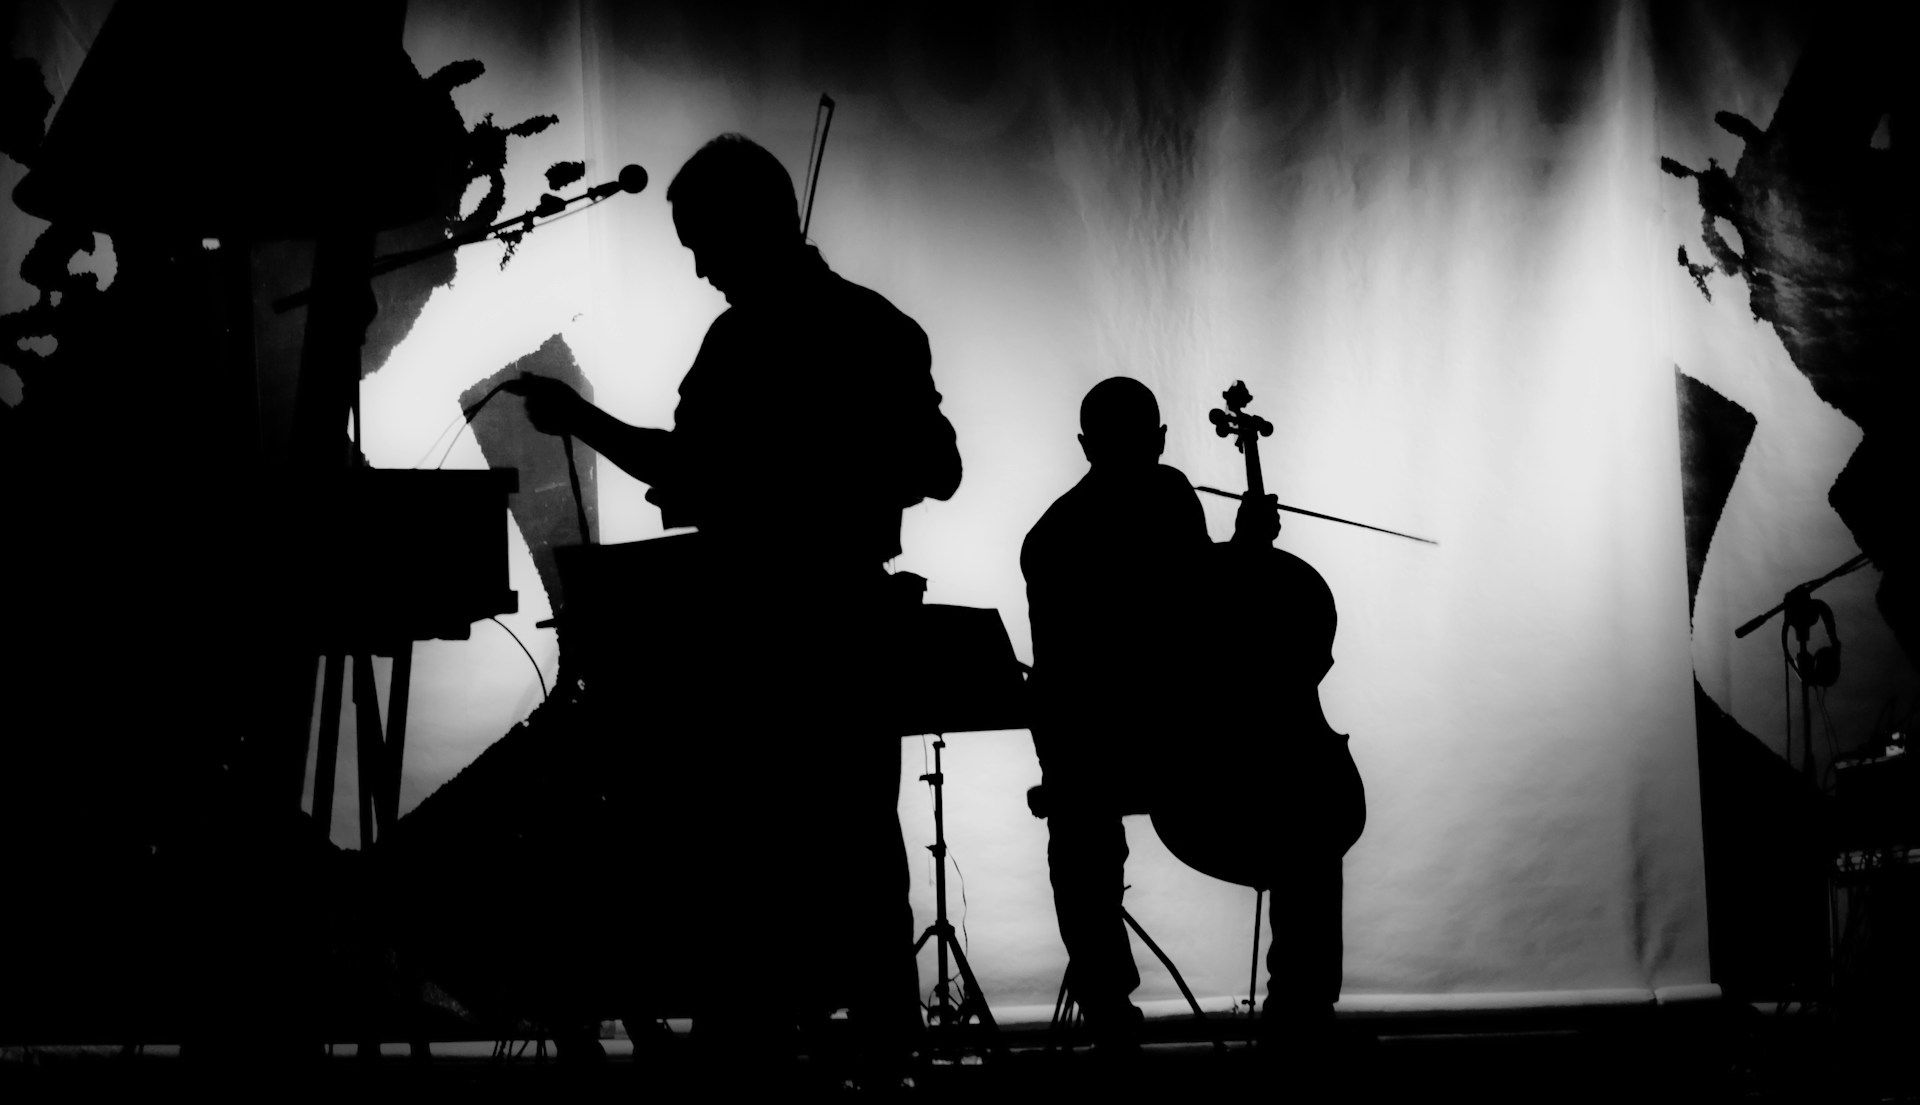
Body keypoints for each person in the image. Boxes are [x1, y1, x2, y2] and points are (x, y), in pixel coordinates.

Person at [508, 133, 960, 1083]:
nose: (703, 268)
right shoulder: (876, 324)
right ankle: (884, 1049)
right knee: (857, 849)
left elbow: (692, 469)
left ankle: (758, 1052)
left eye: (704, 243)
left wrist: (581, 419)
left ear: (751, 224)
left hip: (766, 628)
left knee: (747, 854)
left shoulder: (750, 337)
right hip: (840, 618)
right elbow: (936, 467)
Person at [1021, 376, 1362, 1058]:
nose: (1136, 456)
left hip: (1191, 729)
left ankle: (1294, 1010)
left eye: (1139, 445)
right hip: (1127, 736)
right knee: (1080, 815)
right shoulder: (1059, 539)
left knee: (1309, 815)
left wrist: (1239, 552)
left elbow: (1202, 606)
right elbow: (1164, 621)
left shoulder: (1160, 498)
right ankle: (1113, 1008)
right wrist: (1240, 556)